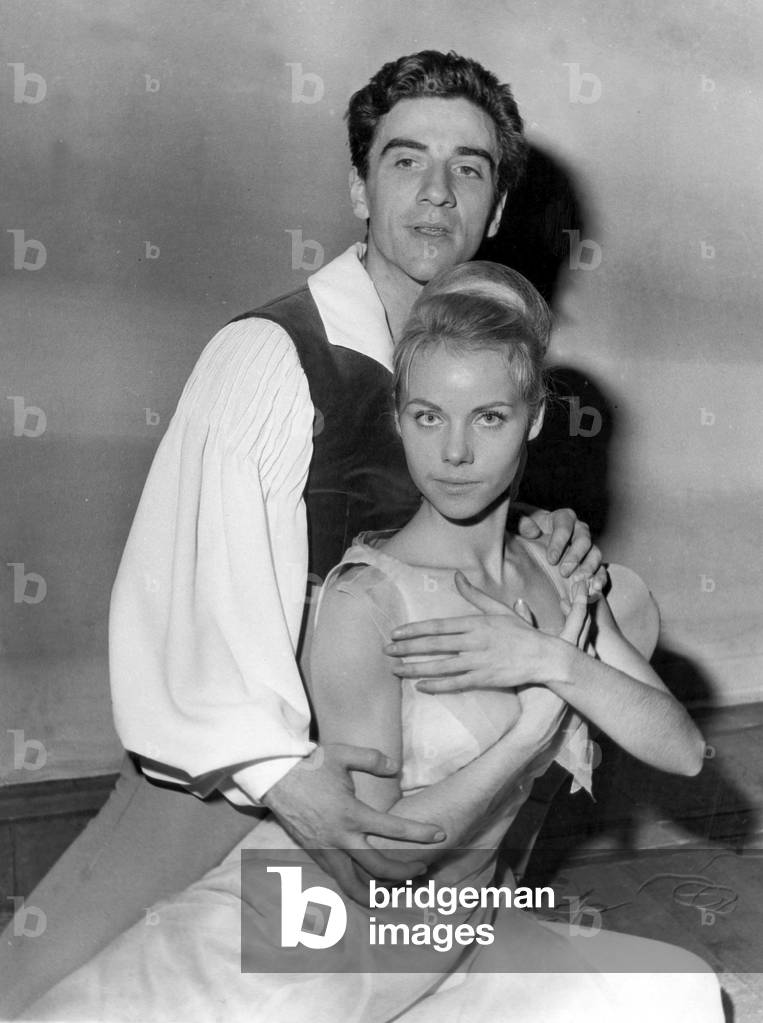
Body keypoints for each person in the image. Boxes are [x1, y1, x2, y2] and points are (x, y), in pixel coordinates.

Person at [0, 51, 602, 1017]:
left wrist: (540, 534)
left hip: (399, 812)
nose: (437, 194)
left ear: (494, 211)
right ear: (356, 186)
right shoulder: (272, 358)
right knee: (46, 988)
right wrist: (285, 776)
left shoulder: (478, 373)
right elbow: (196, 602)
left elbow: (435, 525)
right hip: (236, 793)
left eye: (469, 169)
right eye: (405, 161)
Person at [22, 262, 722, 1023]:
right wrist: (529, 730)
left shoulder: (551, 575)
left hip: (438, 942)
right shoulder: (368, 599)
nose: (452, 453)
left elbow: (681, 750)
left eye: (486, 417)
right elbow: (382, 857)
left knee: (676, 989)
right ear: (397, 418)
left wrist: (551, 660)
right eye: (427, 416)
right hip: (298, 942)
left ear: (533, 419)